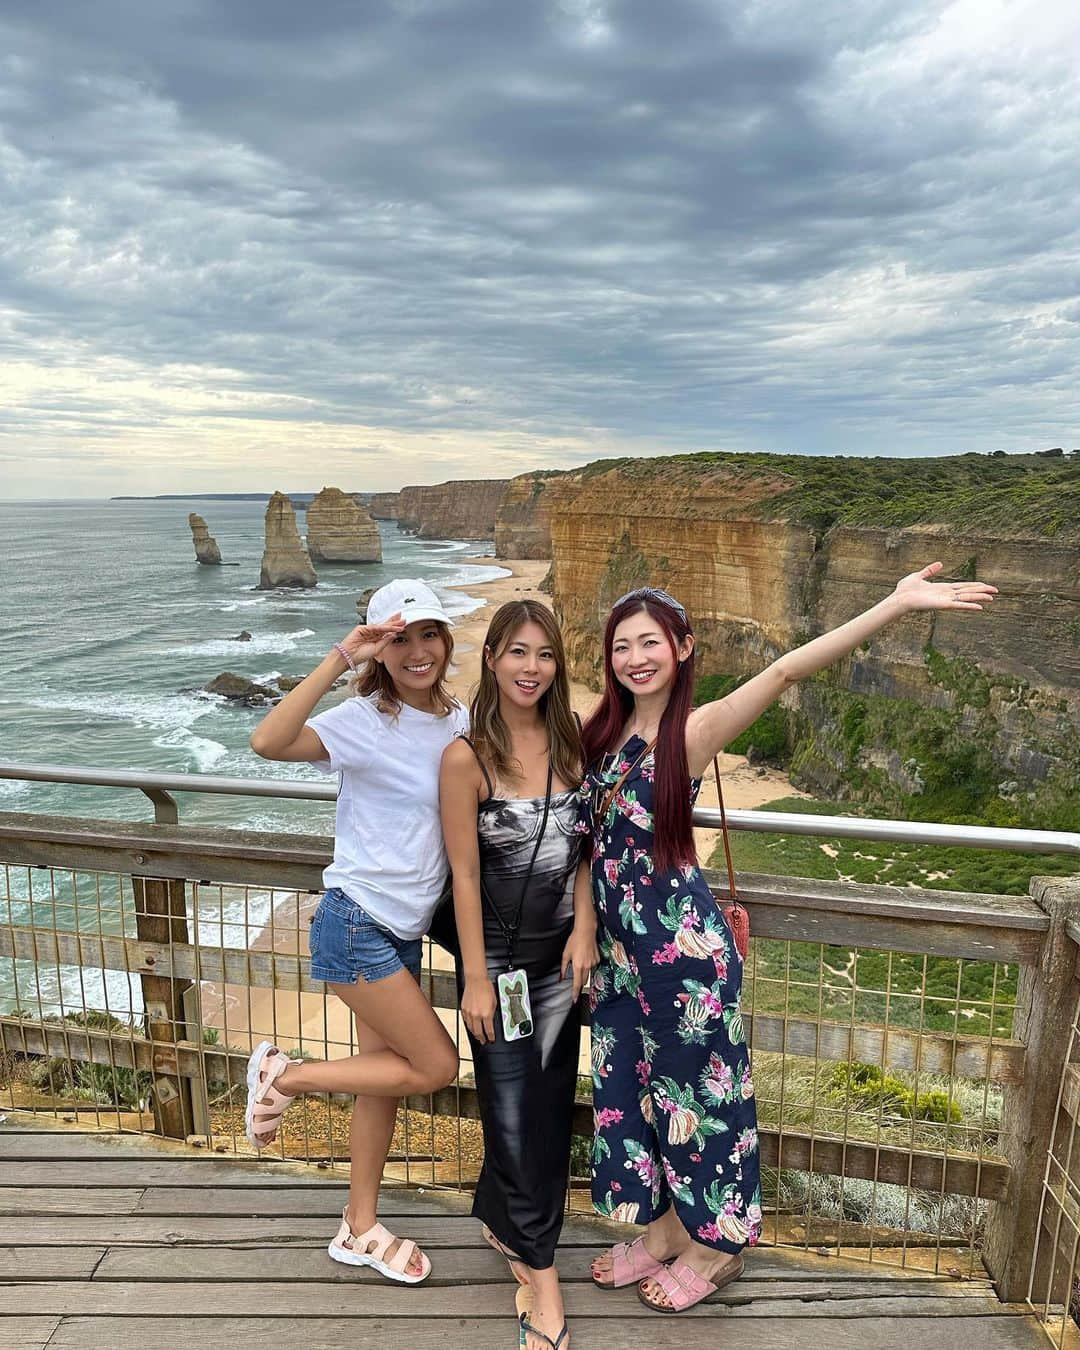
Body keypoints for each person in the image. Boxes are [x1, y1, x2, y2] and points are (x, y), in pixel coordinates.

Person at [581, 563, 997, 1313]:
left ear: (682, 647)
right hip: (616, 961)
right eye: (621, 647)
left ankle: (718, 1246)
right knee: (641, 1098)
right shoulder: (601, 733)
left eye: (650, 643)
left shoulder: (693, 730)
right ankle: (672, 1226)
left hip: (681, 959)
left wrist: (895, 605)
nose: (635, 658)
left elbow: (784, 668)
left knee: (702, 1102)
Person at [244, 578, 468, 1285]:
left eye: (427, 634)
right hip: (356, 923)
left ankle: (358, 1224)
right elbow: (267, 740)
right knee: (435, 1066)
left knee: (385, 1085)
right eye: (397, 638)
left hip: (402, 930)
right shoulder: (364, 718)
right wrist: (342, 655)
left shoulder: (460, 721)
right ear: (380, 648)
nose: (417, 651)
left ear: (445, 639)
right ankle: (289, 1076)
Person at [440, 600, 598, 1350]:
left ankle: (502, 1221)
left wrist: (588, 928)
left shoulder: (572, 745)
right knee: (510, 1116)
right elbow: (464, 878)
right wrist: (474, 975)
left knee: (545, 1108)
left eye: (543, 654)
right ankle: (541, 1276)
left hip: (561, 964)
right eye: (516, 653)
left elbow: (583, 855)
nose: (531, 668)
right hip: (499, 967)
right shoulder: (466, 757)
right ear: (493, 660)